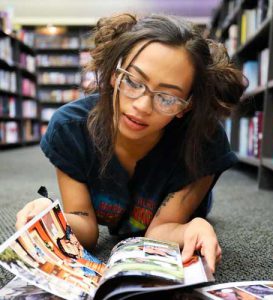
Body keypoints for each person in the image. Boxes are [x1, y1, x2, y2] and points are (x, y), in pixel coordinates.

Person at [16, 13, 245, 274]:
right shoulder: (70, 130)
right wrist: (50, 217)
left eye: (167, 98)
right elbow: (86, 228)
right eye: (133, 82)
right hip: (121, 210)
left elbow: (159, 232)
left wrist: (193, 228)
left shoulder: (204, 142)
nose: (141, 106)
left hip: (171, 206)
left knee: (189, 218)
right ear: (114, 74)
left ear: (186, 106)